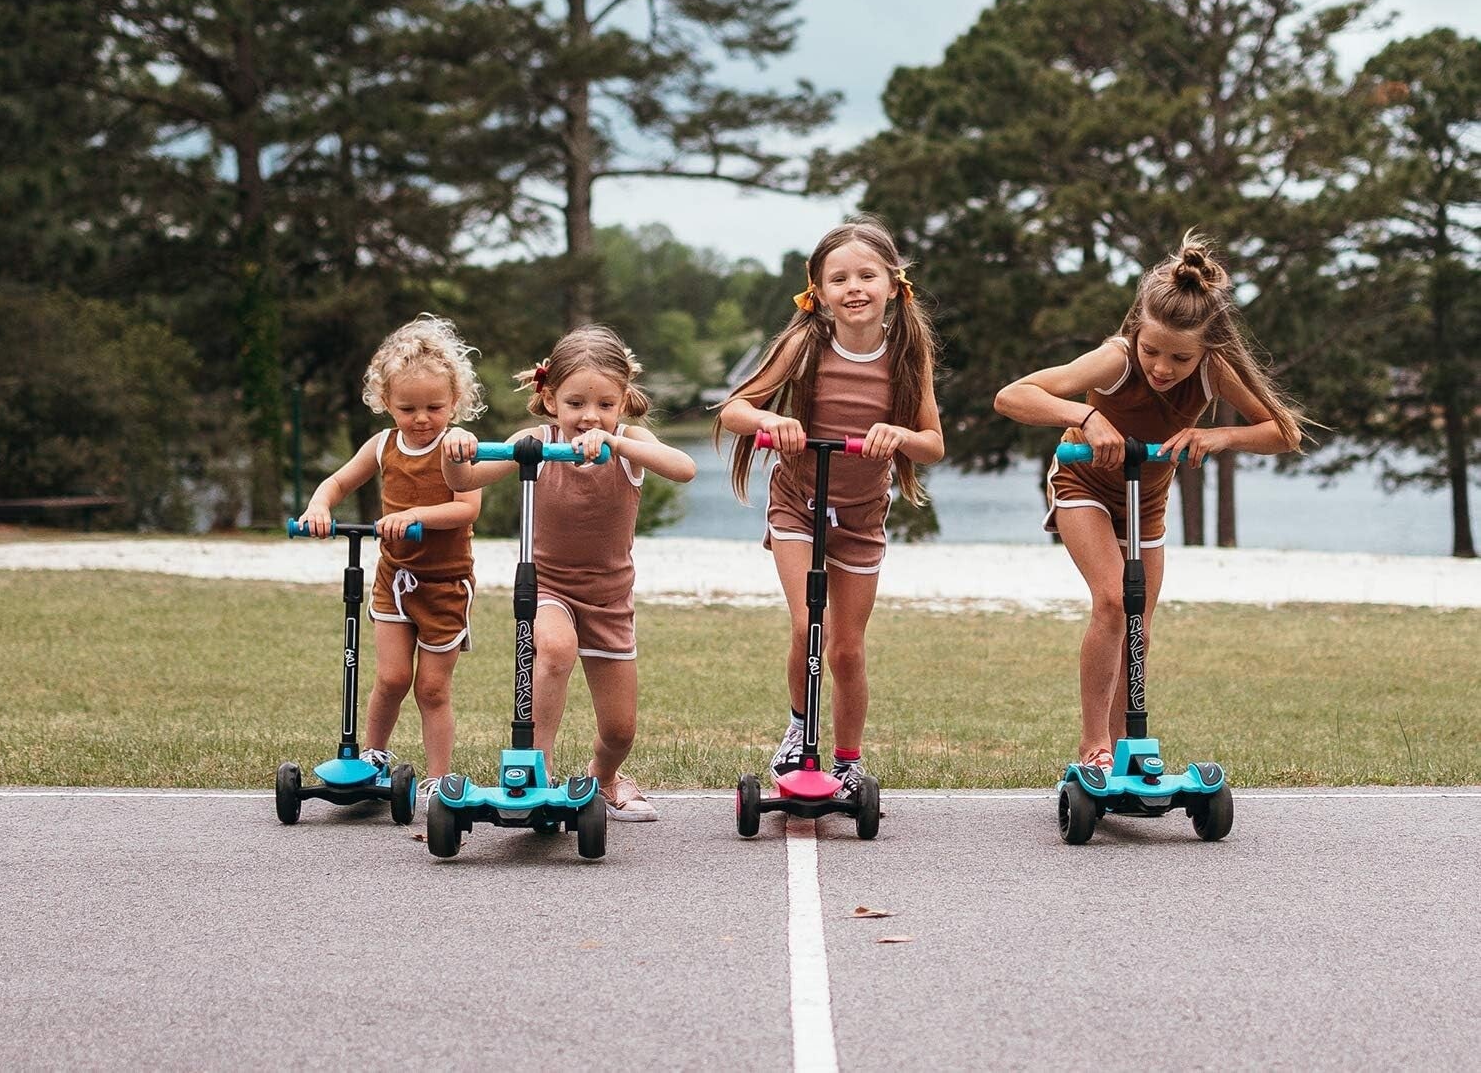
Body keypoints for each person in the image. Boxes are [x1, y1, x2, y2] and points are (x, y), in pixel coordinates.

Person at [993, 230, 1307, 774]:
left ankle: (1124, 748)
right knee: (1113, 602)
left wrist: (1217, 437)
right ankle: (1094, 745)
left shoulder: (1212, 371)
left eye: (1179, 358)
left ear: (1207, 350)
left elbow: (1285, 433)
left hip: (1148, 501)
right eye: (1152, 351)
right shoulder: (1115, 360)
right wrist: (1086, 417)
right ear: (1136, 332)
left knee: (1137, 623)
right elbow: (1012, 396)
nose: (1162, 368)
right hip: (1082, 484)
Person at [715, 216, 944, 797]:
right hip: (798, 504)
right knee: (806, 625)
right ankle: (799, 728)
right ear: (818, 293)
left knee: (846, 645)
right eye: (839, 278)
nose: (855, 287)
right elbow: (734, 411)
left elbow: (934, 445)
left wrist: (898, 436)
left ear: (894, 283)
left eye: (867, 274)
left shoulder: (908, 356)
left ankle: (847, 759)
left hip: (862, 517)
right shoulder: (804, 344)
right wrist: (773, 420)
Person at [444, 325, 695, 822]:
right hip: (548, 588)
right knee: (554, 650)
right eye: (576, 403)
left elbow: (683, 467)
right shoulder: (534, 442)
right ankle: (538, 779)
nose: (589, 417)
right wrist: (455, 451)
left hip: (609, 599)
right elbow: (463, 480)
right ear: (550, 397)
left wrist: (616, 444)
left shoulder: (629, 442)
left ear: (623, 401)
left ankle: (603, 777)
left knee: (621, 730)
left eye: (605, 404)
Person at [296, 315, 485, 812]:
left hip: (445, 586)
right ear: (385, 402)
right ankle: (373, 755)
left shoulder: (458, 446)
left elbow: (468, 508)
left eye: (435, 407)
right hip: (392, 581)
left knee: (432, 687)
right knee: (392, 677)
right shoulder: (381, 445)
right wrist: (319, 506)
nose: (422, 418)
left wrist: (416, 514)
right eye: (407, 408)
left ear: (456, 402)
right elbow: (336, 483)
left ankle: (440, 781)